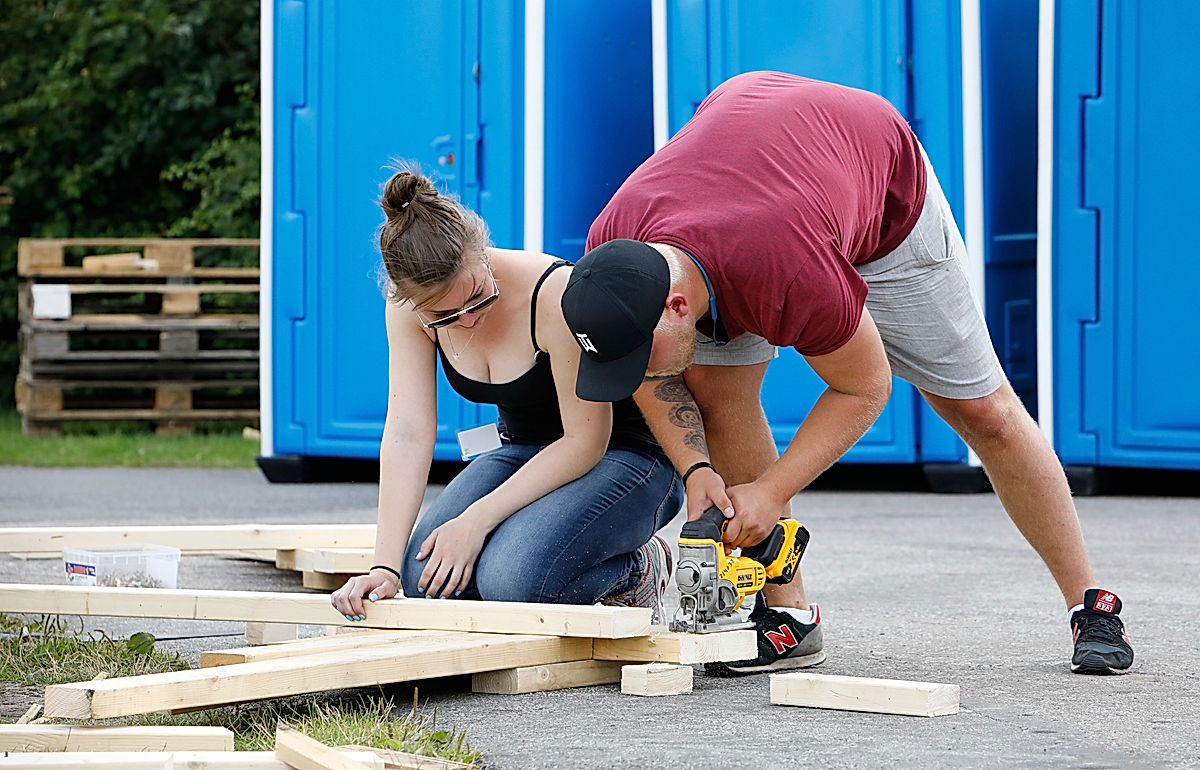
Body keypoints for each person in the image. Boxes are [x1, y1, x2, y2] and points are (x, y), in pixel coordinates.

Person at [560, 71, 1134, 676]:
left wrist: (772, 490)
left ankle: (1090, 602)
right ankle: (790, 620)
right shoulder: (613, 258)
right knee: (716, 396)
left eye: (638, 353)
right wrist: (696, 469)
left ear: (677, 306)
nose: (637, 369)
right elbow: (654, 374)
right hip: (758, 165)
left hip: (878, 184)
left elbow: (864, 386)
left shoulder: (786, 269)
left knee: (981, 411)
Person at [330, 166, 683, 624]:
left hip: (623, 456)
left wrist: (477, 522)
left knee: (514, 580)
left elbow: (585, 441)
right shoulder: (406, 310)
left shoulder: (552, 292)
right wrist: (383, 567)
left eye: (476, 297)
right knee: (422, 578)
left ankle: (640, 570)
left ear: (482, 252)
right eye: (445, 316)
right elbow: (407, 432)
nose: (468, 320)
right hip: (523, 450)